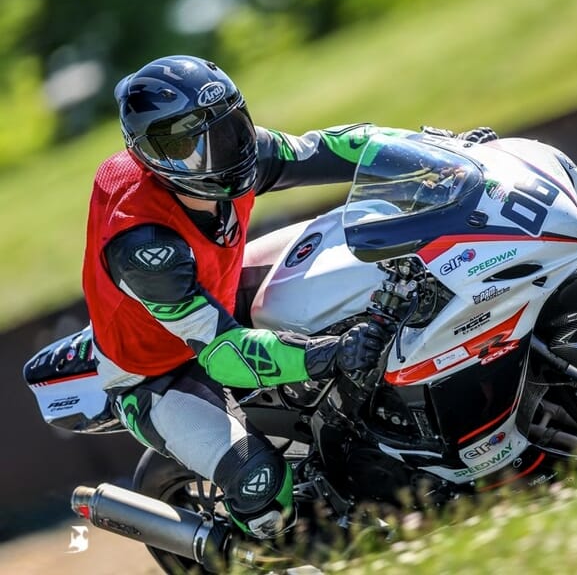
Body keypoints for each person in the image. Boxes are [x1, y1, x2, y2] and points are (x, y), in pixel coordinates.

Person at [82, 54, 498, 542]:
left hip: (219, 285)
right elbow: (224, 356)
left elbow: (340, 147)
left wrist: (439, 150)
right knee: (260, 483)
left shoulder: (242, 156)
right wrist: (332, 352)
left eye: (228, 127)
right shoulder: (143, 248)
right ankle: (253, 552)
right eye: (186, 144)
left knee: (369, 268)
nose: (218, 153)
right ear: (151, 157)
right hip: (156, 374)